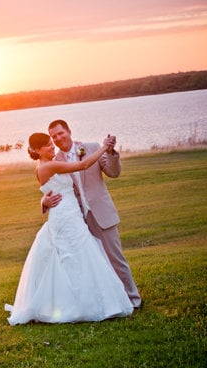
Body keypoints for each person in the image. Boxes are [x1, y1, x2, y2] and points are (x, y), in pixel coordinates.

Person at [4, 132, 133, 325]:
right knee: (77, 255)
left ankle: (82, 300)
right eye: (47, 145)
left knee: (76, 256)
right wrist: (104, 148)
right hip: (66, 216)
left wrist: (44, 200)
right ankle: (84, 304)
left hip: (68, 213)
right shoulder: (49, 165)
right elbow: (82, 165)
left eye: (51, 143)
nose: (52, 147)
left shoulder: (42, 165)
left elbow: (48, 189)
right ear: (37, 150)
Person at [43, 119, 142, 308]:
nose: (57, 138)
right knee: (92, 263)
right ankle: (107, 301)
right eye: (53, 136)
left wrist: (111, 151)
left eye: (60, 133)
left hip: (102, 213)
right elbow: (49, 188)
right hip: (77, 220)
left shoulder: (92, 148)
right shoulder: (55, 161)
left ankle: (133, 299)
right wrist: (43, 201)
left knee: (116, 259)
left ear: (69, 131)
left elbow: (113, 172)